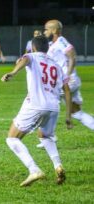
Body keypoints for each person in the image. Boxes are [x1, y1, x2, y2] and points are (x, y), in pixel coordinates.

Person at [1, 35, 73, 187]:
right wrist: (68, 116)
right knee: (45, 136)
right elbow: (67, 90)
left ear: (33, 47)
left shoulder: (31, 56)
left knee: (12, 138)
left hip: (35, 104)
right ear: (47, 48)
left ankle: (34, 170)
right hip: (53, 107)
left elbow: (24, 60)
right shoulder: (57, 65)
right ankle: (58, 165)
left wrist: (13, 73)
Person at [34, 20, 94, 148]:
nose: (45, 31)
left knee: (46, 105)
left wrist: (67, 75)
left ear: (54, 30)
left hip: (67, 82)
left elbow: (72, 56)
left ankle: (48, 137)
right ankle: (49, 136)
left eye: (46, 29)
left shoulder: (61, 42)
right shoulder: (53, 44)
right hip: (70, 81)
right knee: (77, 112)